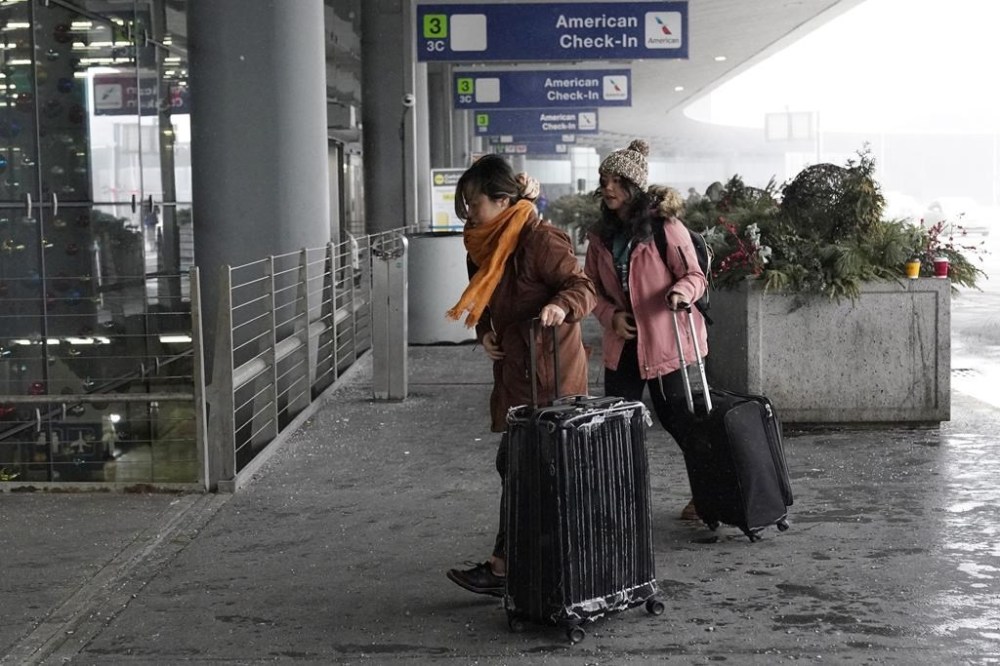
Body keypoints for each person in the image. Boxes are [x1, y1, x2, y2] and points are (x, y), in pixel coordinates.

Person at [444, 155, 596, 597]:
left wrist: (560, 306)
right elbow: (487, 303)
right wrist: (486, 332)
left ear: (504, 199)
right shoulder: (483, 245)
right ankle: (526, 563)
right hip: (516, 370)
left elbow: (583, 287)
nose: (469, 213)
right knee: (522, 467)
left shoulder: (540, 240)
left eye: (474, 203)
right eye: (466, 204)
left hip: (552, 374)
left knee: (529, 467)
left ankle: (510, 566)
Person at [583, 139, 709, 521]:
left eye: (617, 181)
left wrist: (679, 292)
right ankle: (620, 503)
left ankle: (707, 496)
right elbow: (589, 288)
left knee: (680, 422)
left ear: (634, 187)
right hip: (623, 344)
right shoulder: (600, 237)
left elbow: (695, 276)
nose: (608, 187)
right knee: (615, 425)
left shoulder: (663, 228)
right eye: (604, 180)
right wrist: (610, 317)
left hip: (665, 340)